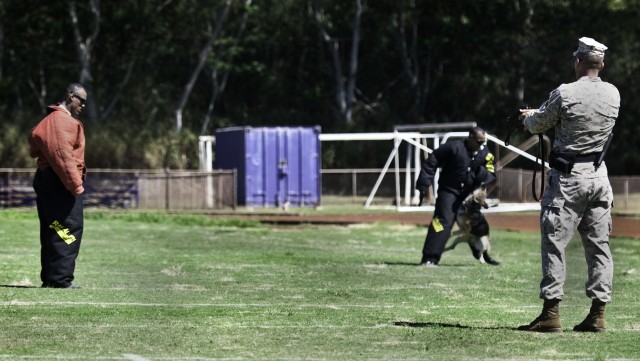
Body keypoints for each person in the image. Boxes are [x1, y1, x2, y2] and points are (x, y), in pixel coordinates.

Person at [517, 37, 620, 332]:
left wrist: (527, 117)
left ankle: (551, 314)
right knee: (599, 245)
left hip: (568, 178)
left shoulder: (565, 92)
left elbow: (539, 124)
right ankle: (597, 314)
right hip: (600, 176)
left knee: (554, 242)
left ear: (578, 61)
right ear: (601, 64)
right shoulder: (614, 94)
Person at [28, 83, 88, 289]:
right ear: (71, 96)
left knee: (54, 227)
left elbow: (34, 144)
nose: (84, 105)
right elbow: (63, 156)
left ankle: (53, 277)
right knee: (67, 229)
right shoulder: (62, 122)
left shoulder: (49, 120)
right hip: (61, 183)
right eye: (82, 100)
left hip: (49, 181)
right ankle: (59, 279)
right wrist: (76, 186)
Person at [415, 127, 496, 266]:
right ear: (470, 137)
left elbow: (491, 173)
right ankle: (430, 258)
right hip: (448, 191)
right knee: (441, 222)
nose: (481, 145)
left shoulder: (485, 153)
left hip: (468, 195)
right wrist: (424, 183)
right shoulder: (453, 147)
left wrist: (482, 174)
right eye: (478, 141)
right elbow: (432, 160)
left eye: (483, 142)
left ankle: (481, 253)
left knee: (476, 223)